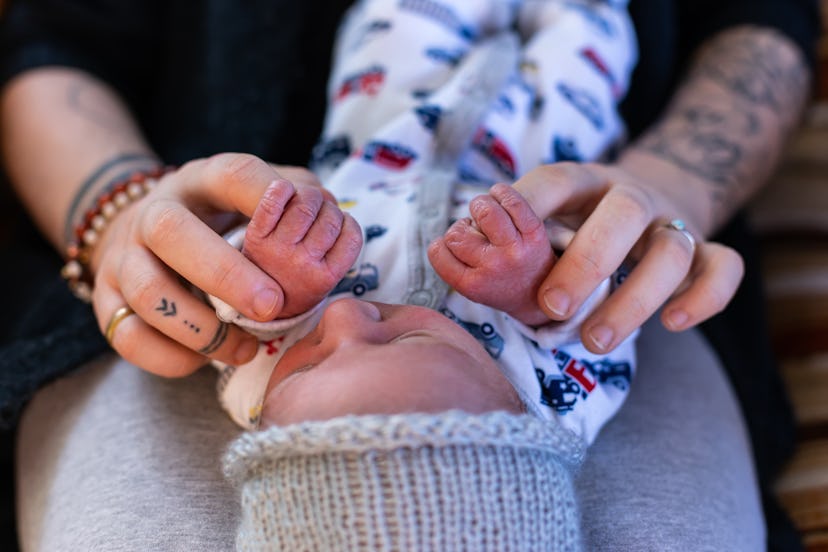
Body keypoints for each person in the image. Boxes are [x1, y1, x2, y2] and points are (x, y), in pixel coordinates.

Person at [0, 0, 817, 550]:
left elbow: (242, 315)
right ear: (515, 409)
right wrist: (527, 275)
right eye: (389, 335)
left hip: (384, 90)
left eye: (314, 358)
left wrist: (276, 263)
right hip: (553, 121)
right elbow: (580, 315)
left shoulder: (265, 383)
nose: (346, 321)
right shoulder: (554, 398)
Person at [212, 1, 637, 444]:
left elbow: (222, 305)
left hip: (383, 131)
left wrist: (274, 286)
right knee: (586, 39)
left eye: (306, 365)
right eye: (396, 344)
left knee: (400, 24)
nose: (342, 316)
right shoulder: (552, 411)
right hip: (543, 153)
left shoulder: (261, 397)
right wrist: (537, 291)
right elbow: (606, 338)